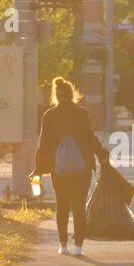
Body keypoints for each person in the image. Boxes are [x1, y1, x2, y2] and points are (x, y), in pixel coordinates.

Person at [33, 77, 109, 256]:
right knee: (79, 206)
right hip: (82, 167)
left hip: (59, 168)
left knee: (62, 205)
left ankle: (63, 245)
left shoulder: (49, 115)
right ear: (72, 94)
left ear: (56, 96)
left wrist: (40, 168)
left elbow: (43, 144)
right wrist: (102, 154)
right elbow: (90, 138)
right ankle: (79, 247)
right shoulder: (81, 113)